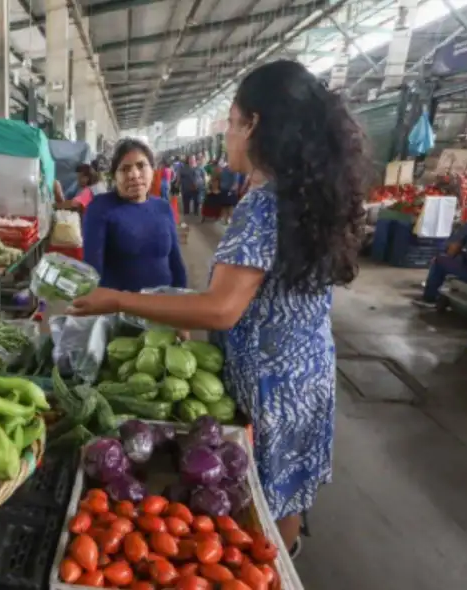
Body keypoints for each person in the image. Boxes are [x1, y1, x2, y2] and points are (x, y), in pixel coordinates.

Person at [69, 60, 369, 555]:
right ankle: (284, 566)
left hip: (270, 385)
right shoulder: (310, 194)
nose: (227, 134)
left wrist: (119, 299)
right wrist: (166, 301)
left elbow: (223, 310)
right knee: (287, 495)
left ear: (254, 126)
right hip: (307, 372)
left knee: (259, 505)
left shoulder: (264, 202)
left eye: (231, 122)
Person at [82, 138, 188, 292]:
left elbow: (175, 262)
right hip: (120, 312)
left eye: (141, 166)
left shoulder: (163, 207)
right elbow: (92, 270)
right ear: (114, 175)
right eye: (124, 169)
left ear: (152, 170)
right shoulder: (100, 208)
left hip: (164, 307)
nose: (134, 174)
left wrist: (182, 297)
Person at [179, 154, 207, 219]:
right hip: (186, 189)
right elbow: (180, 177)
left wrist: (204, 185)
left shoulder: (200, 168)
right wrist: (178, 183)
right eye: (190, 159)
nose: (191, 160)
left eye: (193, 159)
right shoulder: (184, 169)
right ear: (188, 160)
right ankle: (186, 213)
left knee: (196, 201)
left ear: (195, 160)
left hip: (197, 189)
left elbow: (204, 177)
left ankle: (196, 212)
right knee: (186, 201)